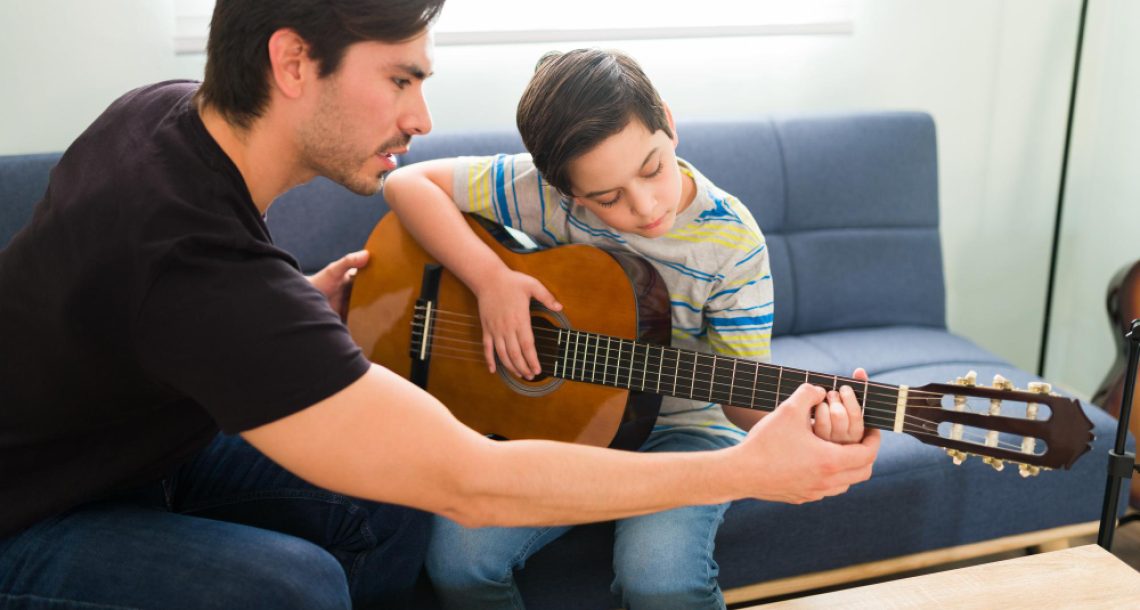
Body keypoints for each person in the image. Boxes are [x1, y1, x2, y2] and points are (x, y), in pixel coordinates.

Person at [0, 2, 879, 609]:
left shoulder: (159, 117)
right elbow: (471, 480)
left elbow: (161, 312)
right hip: (32, 508)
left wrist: (282, 321)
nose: (423, 116)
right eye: (400, 79)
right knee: (296, 588)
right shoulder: (203, 272)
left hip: (134, 440)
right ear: (293, 61)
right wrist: (748, 470)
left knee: (387, 512)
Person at [381, 48, 874, 610]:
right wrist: (491, 280)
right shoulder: (537, 193)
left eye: (653, 168)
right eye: (607, 198)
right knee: (459, 561)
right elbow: (407, 185)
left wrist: (814, 423)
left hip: (684, 436)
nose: (645, 206)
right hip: (560, 428)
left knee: (660, 581)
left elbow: (741, 396)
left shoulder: (732, 242)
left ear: (668, 121)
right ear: (564, 190)